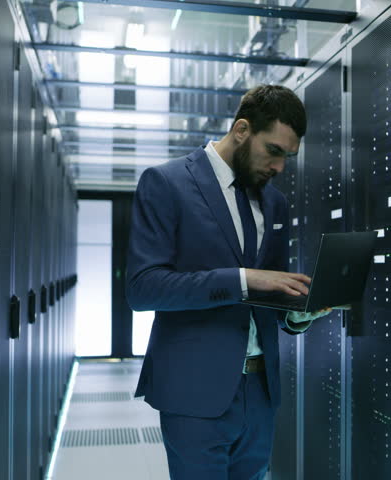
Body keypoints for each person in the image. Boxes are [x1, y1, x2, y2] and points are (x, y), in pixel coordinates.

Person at [126, 84, 332, 480]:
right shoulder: (166, 184)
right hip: (195, 391)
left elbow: (270, 294)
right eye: (273, 151)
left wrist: (299, 315)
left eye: (288, 158)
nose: (279, 168)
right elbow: (143, 288)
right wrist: (242, 279)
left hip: (260, 389)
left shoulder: (274, 202)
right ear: (241, 130)